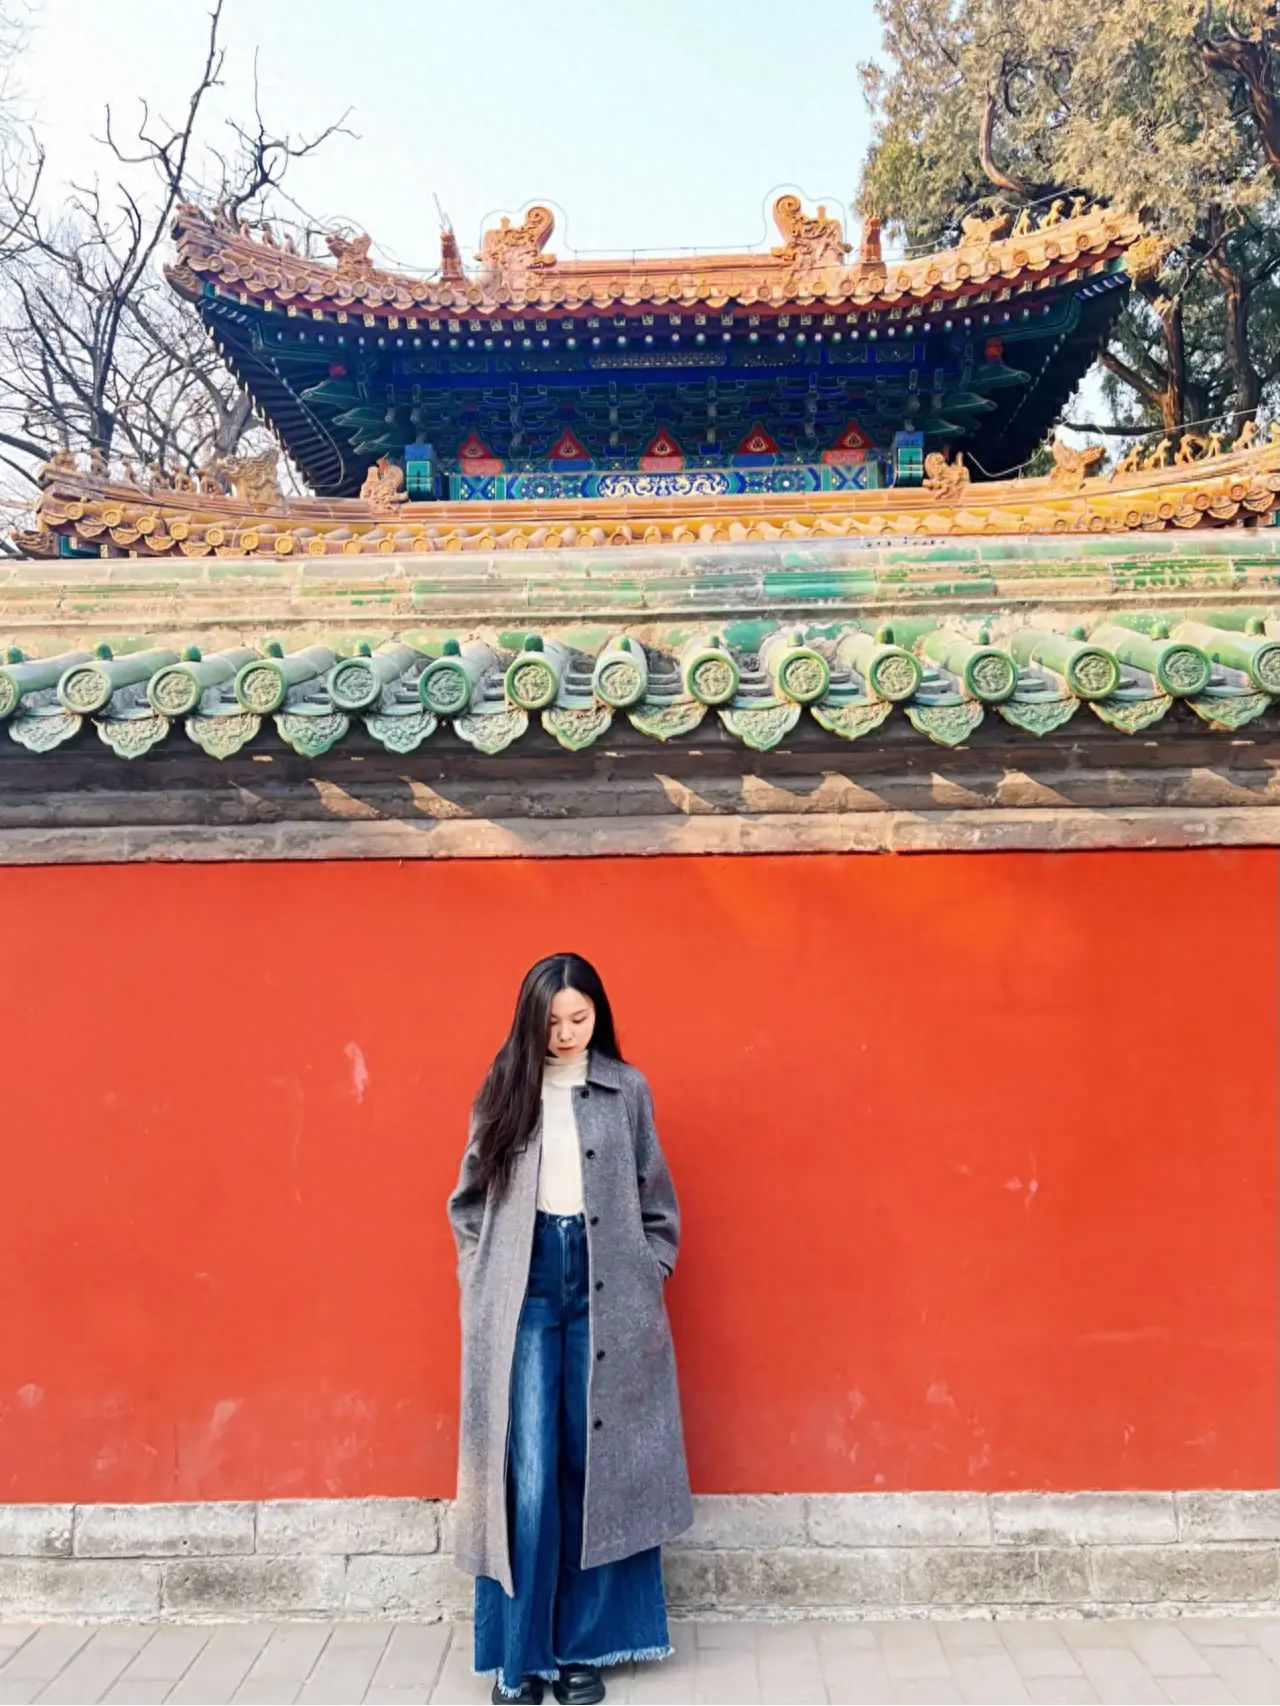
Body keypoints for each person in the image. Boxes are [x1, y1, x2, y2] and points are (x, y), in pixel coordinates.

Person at [448, 952, 694, 1704]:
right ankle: (522, 1660)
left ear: (600, 1013)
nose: (566, 1033)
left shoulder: (627, 1092)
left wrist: (651, 1269)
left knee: (598, 1469)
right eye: (552, 1020)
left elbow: (657, 1200)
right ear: (531, 1020)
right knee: (528, 1473)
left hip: (607, 1292)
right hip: (524, 1295)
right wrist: (481, 1282)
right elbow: (467, 1206)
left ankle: (585, 1651)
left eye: (579, 1017)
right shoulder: (504, 1091)